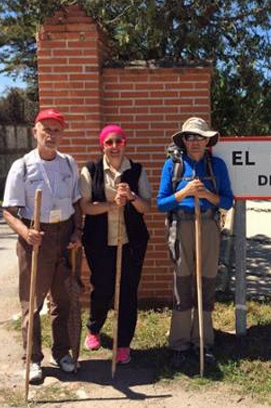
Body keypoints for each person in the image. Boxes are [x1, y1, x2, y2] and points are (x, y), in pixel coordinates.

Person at [2, 108, 83, 383]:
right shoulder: (22, 166)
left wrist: (78, 231)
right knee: (33, 302)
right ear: (35, 132)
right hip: (36, 238)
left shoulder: (69, 164)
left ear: (62, 133)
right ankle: (33, 359)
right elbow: (8, 211)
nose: (51, 134)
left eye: (56, 129)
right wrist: (27, 233)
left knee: (63, 299)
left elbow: (76, 203)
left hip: (65, 236)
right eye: (46, 129)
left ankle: (61, 353)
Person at [157, 117, 234, 368]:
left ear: (207, 141)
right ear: (184, 141)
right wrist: (184, 193)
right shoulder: (173, 165)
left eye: (200, 137)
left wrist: (207, 194)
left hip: (209, 225)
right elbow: (161, 204)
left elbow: (227, 201)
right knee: (182, 282)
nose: (195, 142)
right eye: (190, 137)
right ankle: (179, 344)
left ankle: (203, 342)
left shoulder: (216, 165)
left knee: (207, 281)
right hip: (182, 227)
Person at [79, 124, 151, 365]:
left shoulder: (137, 170)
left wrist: (132, 197)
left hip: (131, 242)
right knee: (102, 288)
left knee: (128, 292)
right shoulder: (91, 170)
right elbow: (85, 207)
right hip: (99, 241)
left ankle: (123, 344)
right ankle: (94, 329)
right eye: (109, 142)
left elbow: (146, 207)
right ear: (102, 145)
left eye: (118, 141)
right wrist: (112, 205)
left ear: (124, 144)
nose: (114, 146)